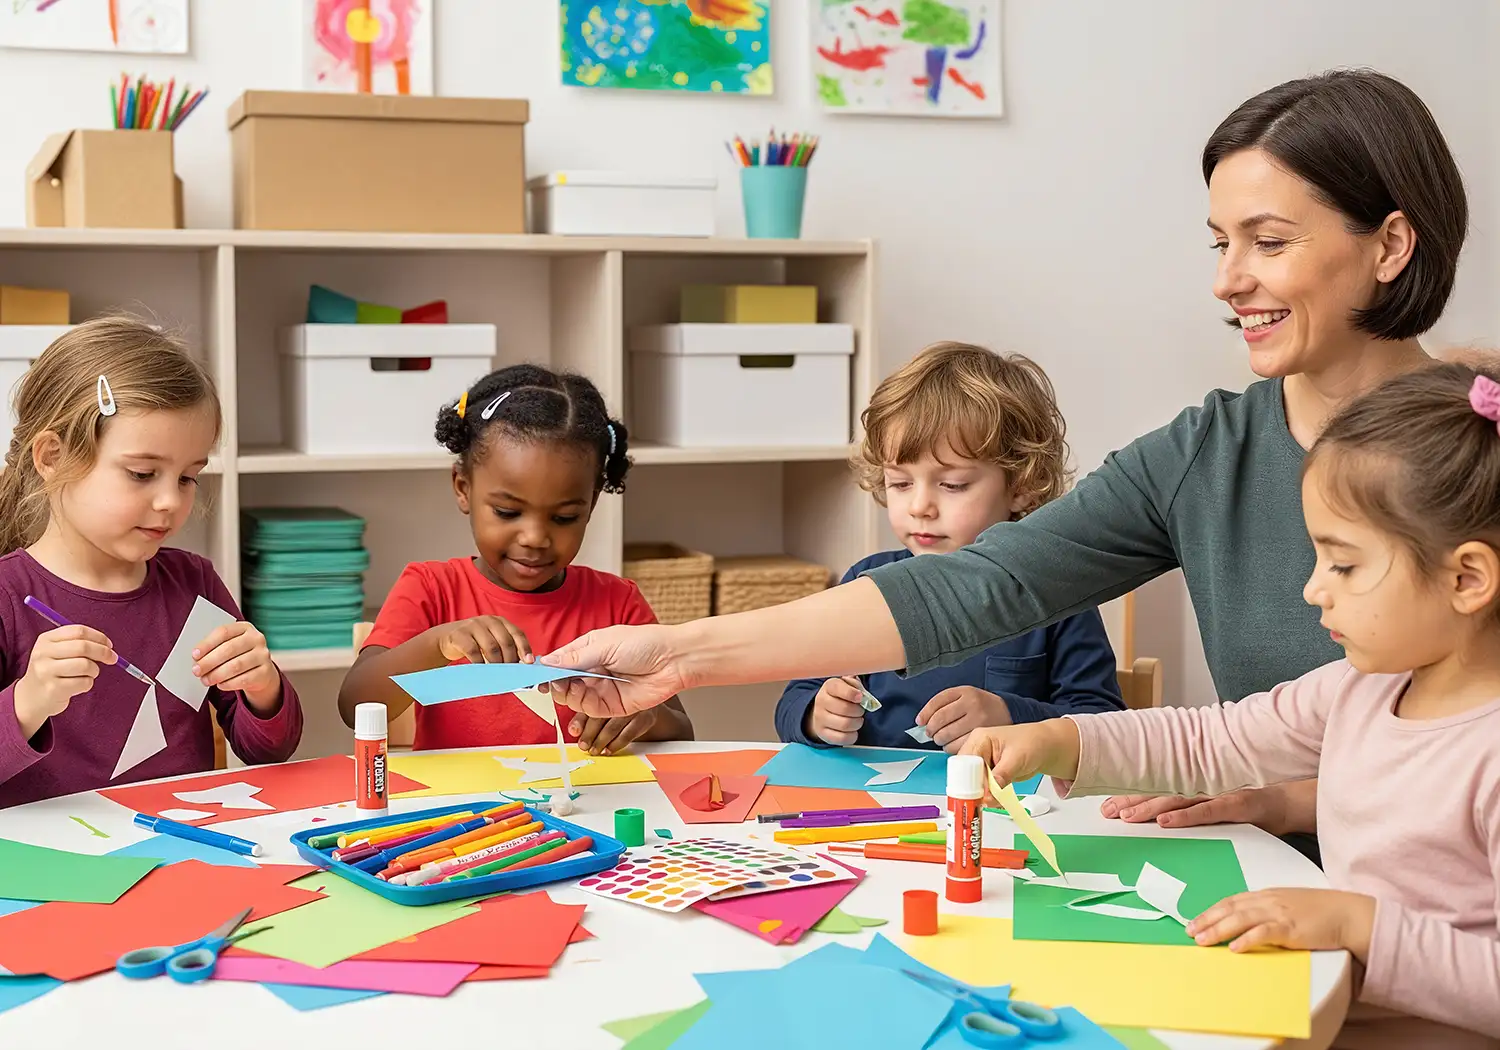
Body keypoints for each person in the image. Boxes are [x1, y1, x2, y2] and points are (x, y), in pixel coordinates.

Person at [539, 68, 1470, 857]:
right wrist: (681, 655)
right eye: (1221, 243)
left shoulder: (1476, 453)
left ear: (1389, 243)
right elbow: (975, 588)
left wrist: (1296, 798)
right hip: (1270, 879)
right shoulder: (1203, 454)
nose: (1227, 281)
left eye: (1268, 242)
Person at [961, 363, 1500, 1049]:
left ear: (1467, 578)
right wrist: (1060, 740)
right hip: (1320, 1005)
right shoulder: (1363, 687)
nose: (1313, 591)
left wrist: (1357, 925)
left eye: (1343, 565)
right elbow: (1214, 741)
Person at [0, 318, 302, 808]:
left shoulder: (195, 584)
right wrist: (27, 702)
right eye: (142, 474)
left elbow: (268, 749)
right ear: (52, 456)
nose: (169, 501)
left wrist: (262, 686)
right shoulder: (9, 597)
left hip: (181, 851)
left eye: (187, 478)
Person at [776, 342, 1123, 751]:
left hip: (1002, 808)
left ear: (1021, 486)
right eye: (900, 483)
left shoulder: (1058, 594)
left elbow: (1102, 723)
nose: (920, 506)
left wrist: (1010, 715)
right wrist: (817, 715)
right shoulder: (865, 584)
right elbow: (793, 702)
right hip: (875, 808)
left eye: (952, 485)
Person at [339, 364, 692, 755]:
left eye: (563, 518)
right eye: (508, 512)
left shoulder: (618, 602)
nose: (535, 538)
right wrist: (439, 643)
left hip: (591, 806)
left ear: (591, 504)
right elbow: (355, 707)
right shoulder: (430, 588)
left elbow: (681, 732)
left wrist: (644, 715)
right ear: (463, 488)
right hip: (464, 811)